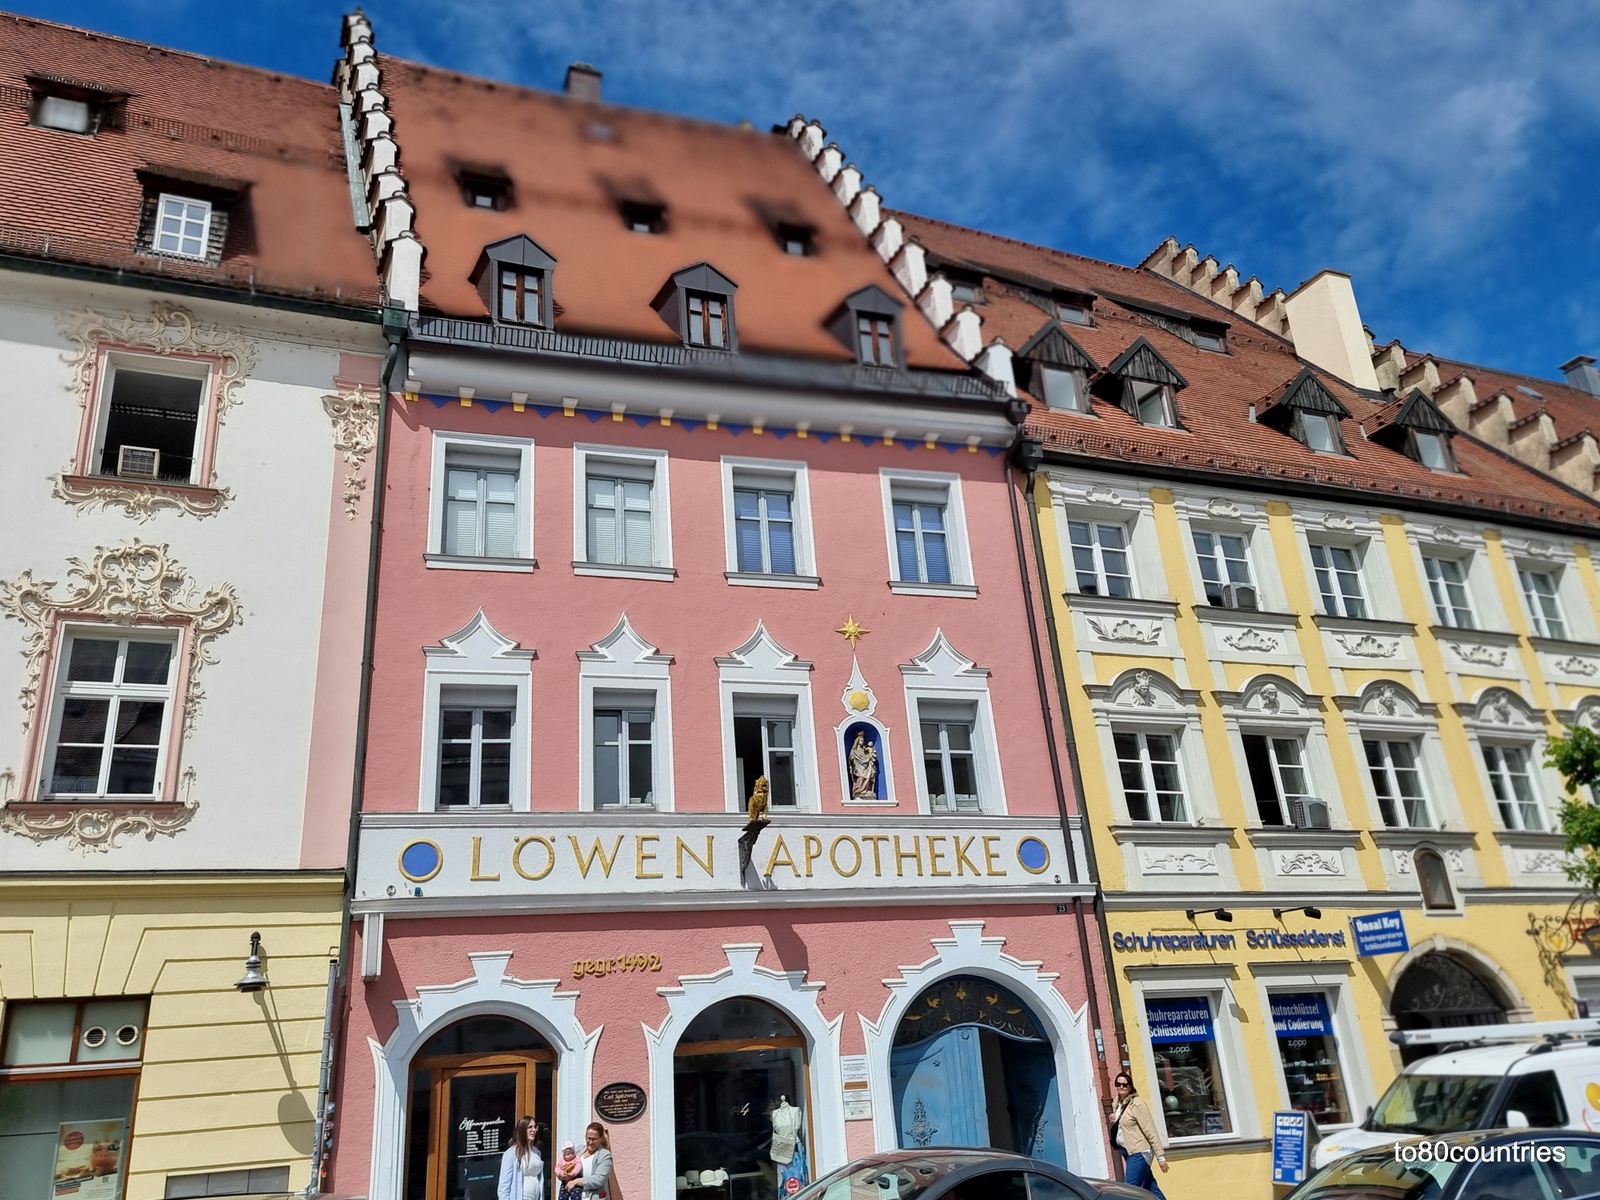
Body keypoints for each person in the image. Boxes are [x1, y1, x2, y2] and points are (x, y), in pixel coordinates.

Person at [1110, 1072, 1168, 1199]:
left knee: (1128, 1189)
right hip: (1126, 1151)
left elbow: (1150, 1130)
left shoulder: (1137, 1104)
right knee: (1150, 1187)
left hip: (1140, 1152)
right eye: (1118, 1084)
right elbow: (1124, 1125)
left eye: (1125, 1085)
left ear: (1130, 1087)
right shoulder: (1117, 1103)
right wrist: (1115, 1118)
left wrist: (1160, 1157)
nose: (1121, 1087)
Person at [498, 1117, 545, 1200]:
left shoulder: (537, 1152)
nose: (533, 1130)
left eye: (535, 1127)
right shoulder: (511, 1153)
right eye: (530, 1127)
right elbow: (504, 1186)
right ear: (522, 1130)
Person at [579, 1121, 613, 1200]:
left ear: (600, 1139)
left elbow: (599, 1179)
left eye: (594, 1139)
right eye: (589, 1138)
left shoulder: (605, 1155)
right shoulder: (579, 1150)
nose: (590, 1142)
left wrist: (577, 1182)